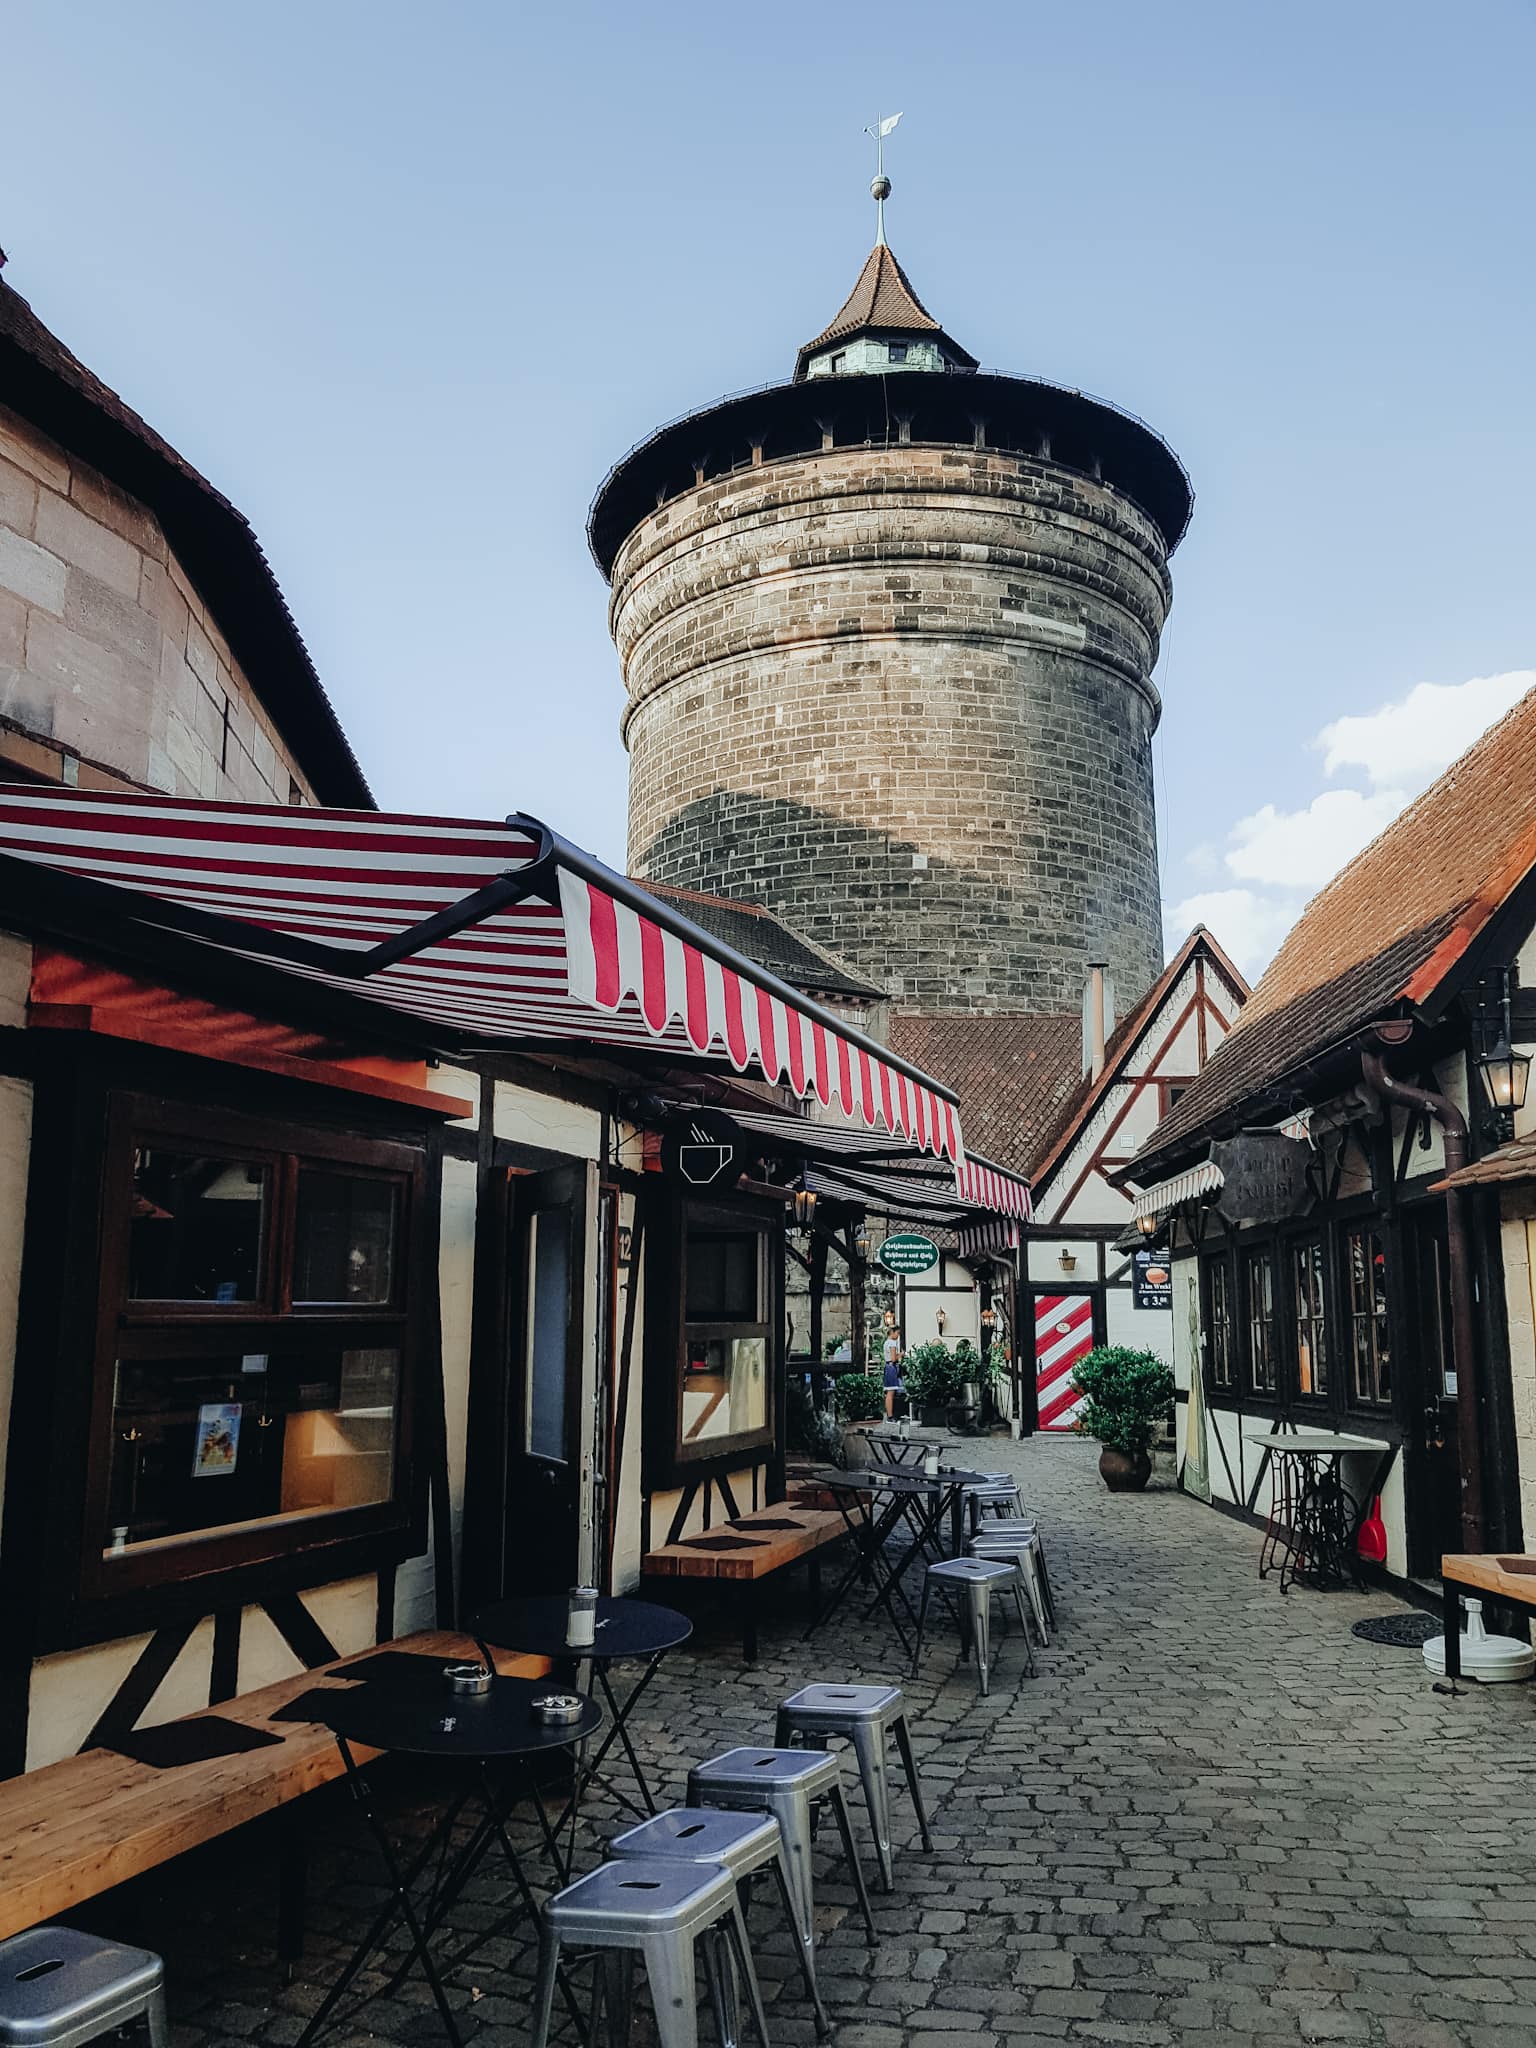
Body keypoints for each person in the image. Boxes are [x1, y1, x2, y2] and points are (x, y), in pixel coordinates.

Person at [882, 1326, 905, 1419]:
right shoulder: (892, 1343)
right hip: (892, 1367)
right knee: (891, 1392)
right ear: (892, 1332)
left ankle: (889, 1413)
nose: (898, 1336)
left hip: (887, 1366)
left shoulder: (886, 1342)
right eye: (897, 1333)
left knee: (889, 1391)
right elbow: (893, 1358)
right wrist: (901, 1354)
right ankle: (890, 1415)